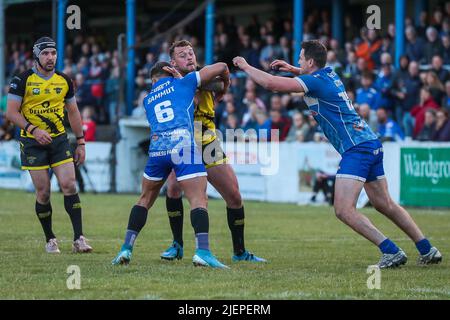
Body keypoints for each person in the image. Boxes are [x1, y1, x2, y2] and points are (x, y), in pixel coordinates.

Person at [233, 40, 442, 268]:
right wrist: (293, 70)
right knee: (385, 204)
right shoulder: (329, 73)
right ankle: (427, 249)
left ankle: (390, 250)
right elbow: (311, 77)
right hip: (370, 142)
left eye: (301, 59)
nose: (298, 61)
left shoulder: (315, 82)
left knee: (343, 209)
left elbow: (271, 84)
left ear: (311, 62)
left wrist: (245, 65)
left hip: (357, 148)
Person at [111, 61, 231, 268]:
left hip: (157, 149)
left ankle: (126, 249)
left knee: (144, 199)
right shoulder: (186, 82)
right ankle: (203, 251)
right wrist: (223, 88)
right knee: (198, 199)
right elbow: (221, 67)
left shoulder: (147, 100)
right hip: (183, 146)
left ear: (153, 80)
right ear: (169, 71)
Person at [160, 40, 266, 263]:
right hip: (183, 141)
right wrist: (210, 86)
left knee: (234, 196)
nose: (189, 57)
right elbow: (201, 92)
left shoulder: (203, 75)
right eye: (182, 55)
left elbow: (219, 80)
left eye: (191, 53)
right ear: (172, 62)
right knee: (173, 190)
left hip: (207, 139)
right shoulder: (168, 82)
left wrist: (223, 86)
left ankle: (239, 252)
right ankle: (177, 245)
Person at [6, 37, 92, 253]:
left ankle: (79, 239)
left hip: (59, 139)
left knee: (70, 185)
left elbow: (73, 112)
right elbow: (10, 113)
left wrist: (80, 142)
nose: (50, 57)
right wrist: (34, 130)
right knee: (43, 192)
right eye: (45, 53)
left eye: (53, 53)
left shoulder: (64, 80)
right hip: (32, 142)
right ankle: (50, 239)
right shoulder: (22, 80)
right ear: (37, 56)